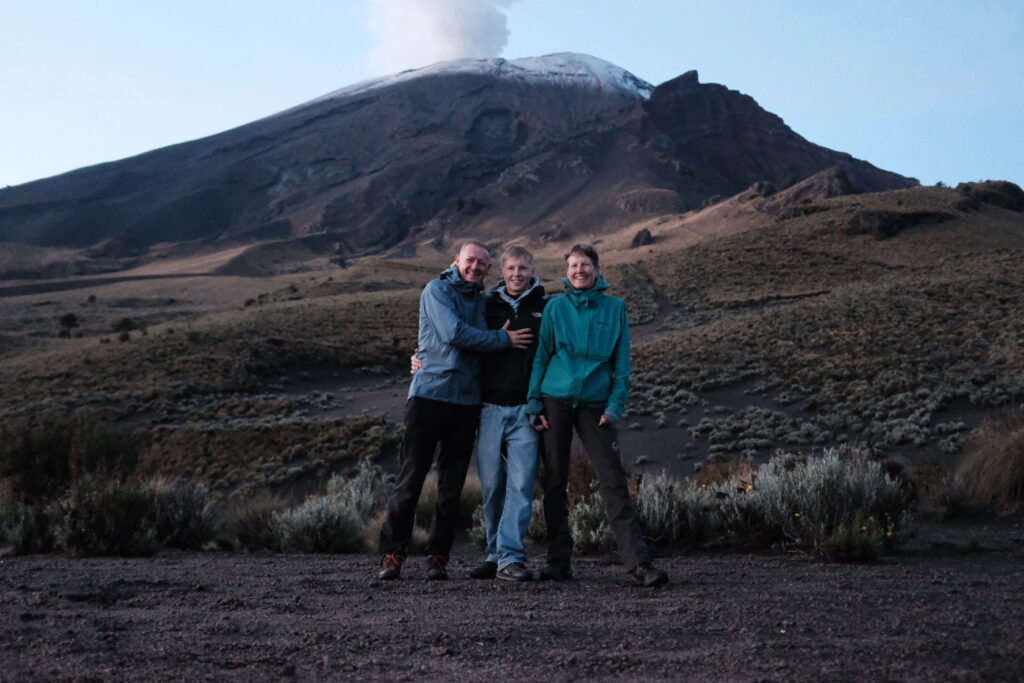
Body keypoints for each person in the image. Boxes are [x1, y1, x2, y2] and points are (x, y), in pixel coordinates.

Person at [377, 242, 533, 581]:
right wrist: (501, 340)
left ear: (488, 269)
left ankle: (438, 557)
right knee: (411, 477)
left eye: (482, 263)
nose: (475, 267)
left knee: (452, 483)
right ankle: (393, 555)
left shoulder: (485, 300)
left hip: (466, 403)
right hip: (430, 396)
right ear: (456, 261)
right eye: (470, 261)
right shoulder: (437, 290)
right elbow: (452, 334)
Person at [527, 243, 668, 587]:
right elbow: (542, 357)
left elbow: (622, 364)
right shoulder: (555, 308)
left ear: (597, 268)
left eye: (585, 264)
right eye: (573, 265)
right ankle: (558, 562)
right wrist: (534, 402)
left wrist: (615, 406)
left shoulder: (615, 308)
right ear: (567, 270)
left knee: (613, 482)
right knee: (556, 481)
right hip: (555, 400)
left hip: (596, 406)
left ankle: (638, 564)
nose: (579, 270)